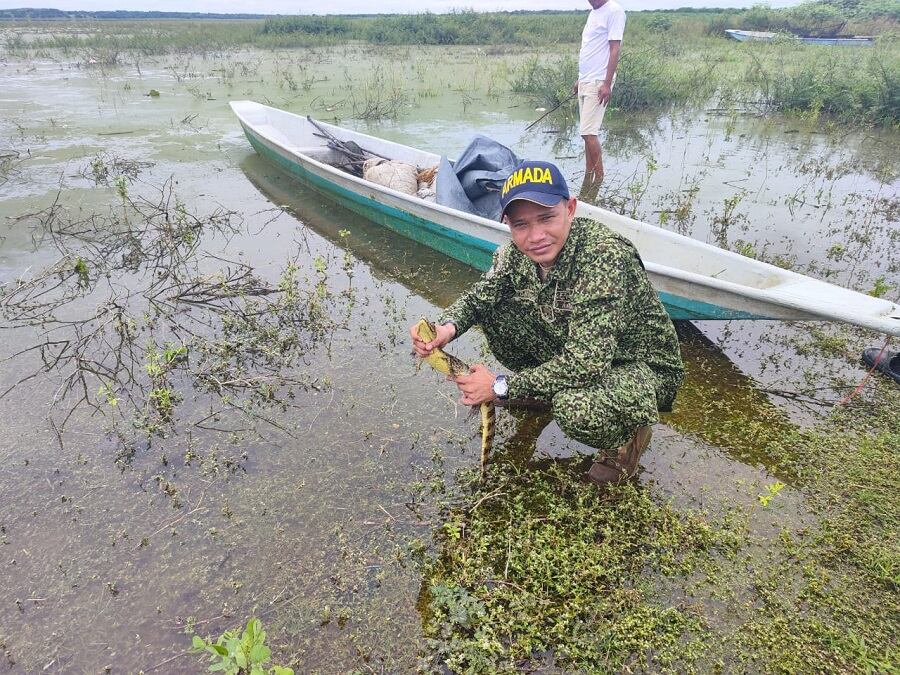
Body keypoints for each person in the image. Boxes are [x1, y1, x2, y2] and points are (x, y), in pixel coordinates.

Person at [409, 161, 683, 485]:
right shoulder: (514, 254)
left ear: (570, 209)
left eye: (546, 218)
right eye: (521, 224)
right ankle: (540, 390)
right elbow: (480, 297)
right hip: (582, 348)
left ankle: (627, 437)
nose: (536, 236)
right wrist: (446, 328)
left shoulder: (603, 255)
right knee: (496, 309)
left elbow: (586, 363)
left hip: (639, 367)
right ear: (508, 224)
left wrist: (499, 386)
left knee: (574, 408)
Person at [573, 0, 626, 191]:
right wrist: (580, 79)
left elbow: (615, 48)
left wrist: (606, 83)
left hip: (598, 82)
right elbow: (592, 49)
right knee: (585, 134)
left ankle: (599, 179)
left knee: (589, 133)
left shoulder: (614, 10)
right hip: (586, 80)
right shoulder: (593, 13)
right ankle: (588, 174)